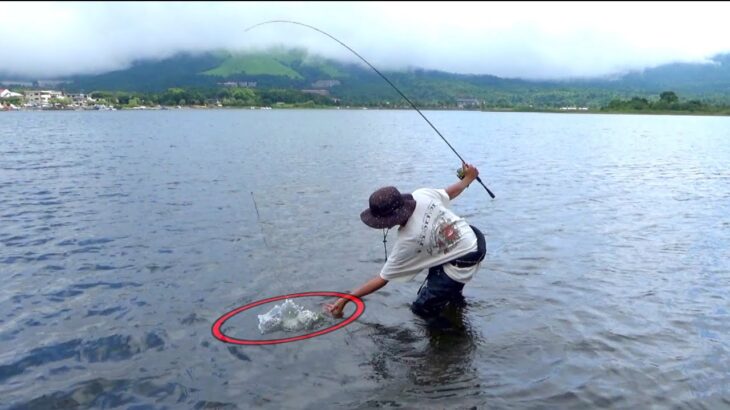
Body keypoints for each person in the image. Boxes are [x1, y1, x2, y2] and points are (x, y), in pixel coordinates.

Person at [326, 163, 486, 323]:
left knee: (422, 309)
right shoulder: (421, 194)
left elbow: (382, 279)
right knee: (448, 292)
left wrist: (345, 299)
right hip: (473, 239)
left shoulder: (409, 240)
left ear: (387, 223)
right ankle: (455, 304)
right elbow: (448, 193)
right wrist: (468, 179)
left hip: (461, 262)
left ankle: (452, 336)